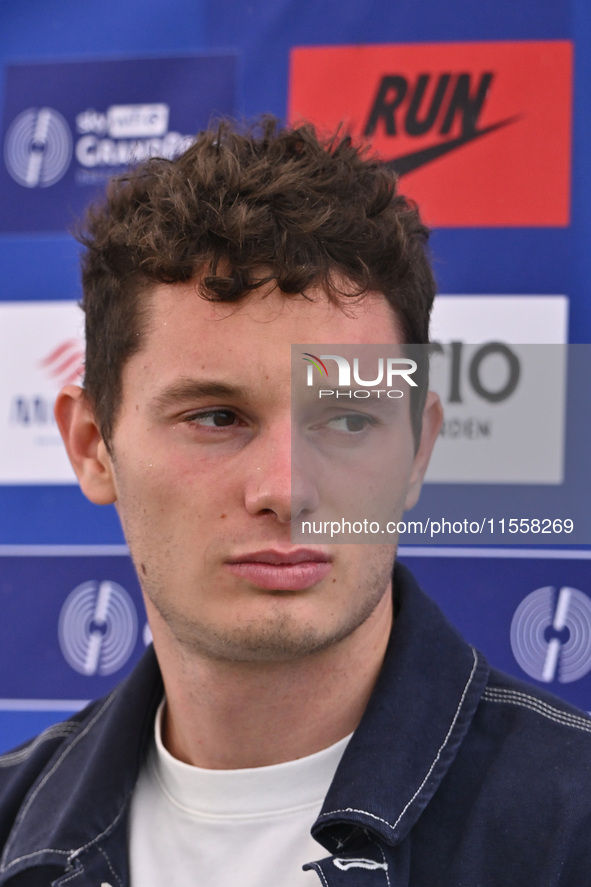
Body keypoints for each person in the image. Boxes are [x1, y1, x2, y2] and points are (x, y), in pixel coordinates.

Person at [1, 117, 590, 887]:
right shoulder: (13, 823)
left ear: (416, 450)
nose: (286, 489)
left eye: (346, 419)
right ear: (90, 445)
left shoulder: (570, 826)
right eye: (216, 417)